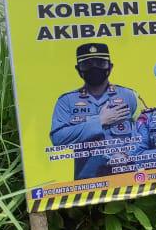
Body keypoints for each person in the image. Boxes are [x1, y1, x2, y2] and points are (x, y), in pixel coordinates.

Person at [50, 43, 139, 180]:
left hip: (126, 177)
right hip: (88, 182)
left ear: (110, 66)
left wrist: (127, 154)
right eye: (87, 64)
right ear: (78, 69)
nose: (94, 68)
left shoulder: (129, 96)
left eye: (100, 63)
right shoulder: (67, 101)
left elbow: (145, 131)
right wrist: (99, 121)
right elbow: (58, 138)